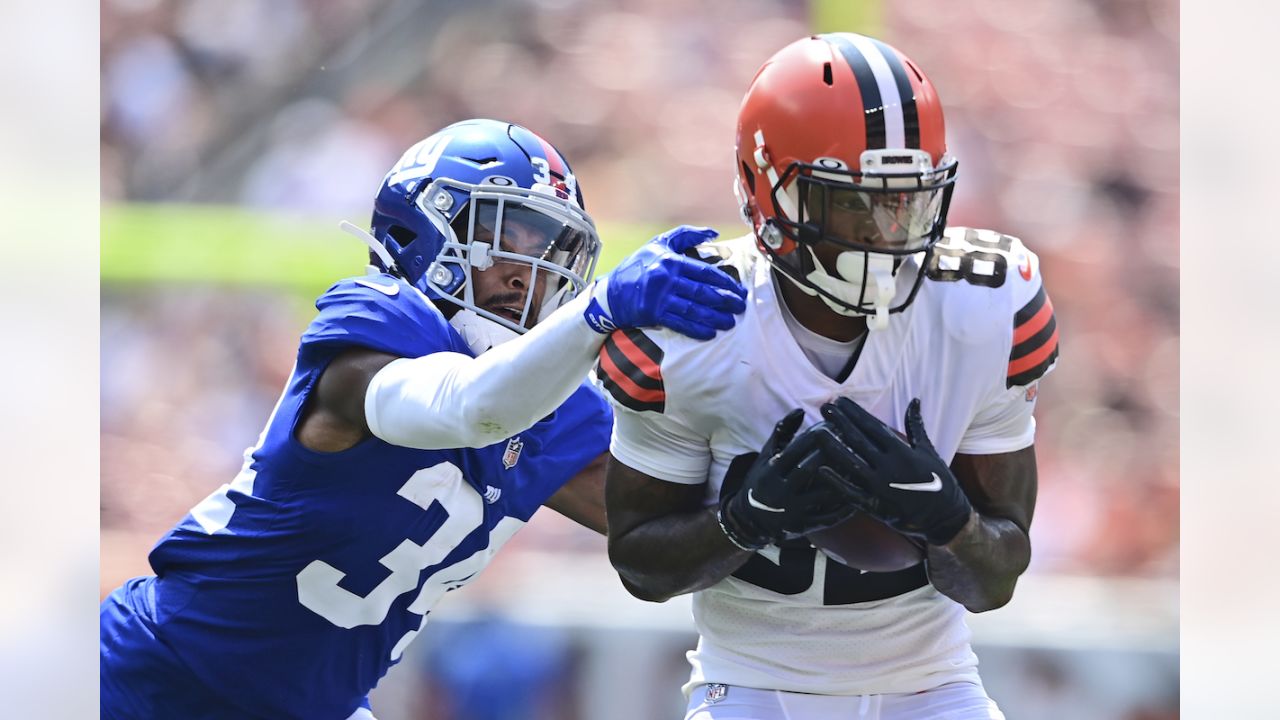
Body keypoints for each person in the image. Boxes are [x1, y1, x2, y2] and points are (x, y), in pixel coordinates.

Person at [99, 118, 747, 720]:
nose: (531, 274)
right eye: (510, 238)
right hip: (158, 678)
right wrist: (600, 311)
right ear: (423, 228)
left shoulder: (551, 404)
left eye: (551, 250)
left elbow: (661, 521)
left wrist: (773, 482)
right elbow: (472, 408)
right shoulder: (376, 323)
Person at [601, 33, 1059, 720]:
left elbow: (995, 581)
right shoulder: (693, 323)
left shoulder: (983, 309)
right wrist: (742, 522)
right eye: (855, 203)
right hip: (753, 686)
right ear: (769, 192)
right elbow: (641, 567)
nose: (886, 231)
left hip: (934, 686)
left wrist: (950, 523)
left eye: (905, 200)